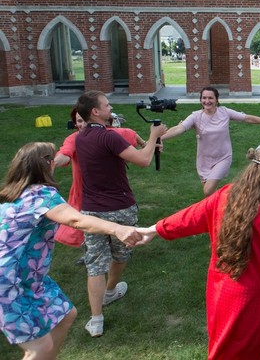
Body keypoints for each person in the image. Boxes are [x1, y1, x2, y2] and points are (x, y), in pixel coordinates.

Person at [135, 147, 260, 359]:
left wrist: (155, 229)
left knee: (227, 347)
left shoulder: (225, 195)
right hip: (255, 298)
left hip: (221, 291)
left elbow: (190, 217)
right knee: (258, 350)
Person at [0, 142, 142, 359]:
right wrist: (118, 229)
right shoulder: (42, 194)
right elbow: (75, 219)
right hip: (8, 281)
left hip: (31, 278)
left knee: (66, 315)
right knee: (39, 348)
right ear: (47, 164)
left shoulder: (13, 193)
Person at [74, 90, 166, 337]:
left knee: (94, 264)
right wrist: (153, 135)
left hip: (91, 211)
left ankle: (95, 320)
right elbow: (143, 161)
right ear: (95, 111)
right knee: (122, 252)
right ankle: (111, 290)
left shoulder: (81, 138)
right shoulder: (110, 138)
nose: (109, 107)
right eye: (106, 104)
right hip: (120, 208)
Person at [161, 86, 260, 196]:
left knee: (208, 190)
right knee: (210, 196)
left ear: (216, 100)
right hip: (204, 160)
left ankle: (238, 196)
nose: (207, 101)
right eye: (204, 98)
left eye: (210, 98)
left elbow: (247, 118)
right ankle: (224, 212)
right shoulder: (195, 116)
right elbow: (179, 128)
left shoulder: (224, 112)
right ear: (200, 100)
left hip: (223, 158)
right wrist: (158, 138)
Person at [53, 106, 143, 248]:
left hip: (113, 192)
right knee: (87, 225)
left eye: (85, 120)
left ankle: (114, 249)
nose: (82, 125)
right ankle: (93, 250)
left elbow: (131, 134)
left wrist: (146, 144)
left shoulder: (111, 134)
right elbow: (65, 154)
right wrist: (52, 164)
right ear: (75, 124)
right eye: (79, 121)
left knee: (111, 224)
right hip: (86, 193)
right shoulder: (74, 138)